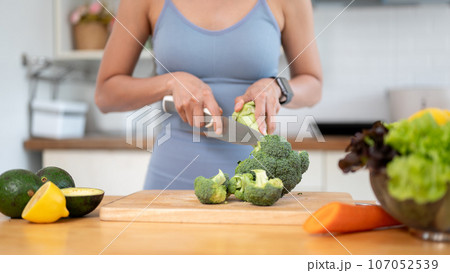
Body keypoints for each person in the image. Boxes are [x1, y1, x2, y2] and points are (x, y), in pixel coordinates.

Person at [95, 0, 322, 190]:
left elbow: (313, 85)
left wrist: (277, 87)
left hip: (256, 187)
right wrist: (169, 83)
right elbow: (106, 94)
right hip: (169, 183)